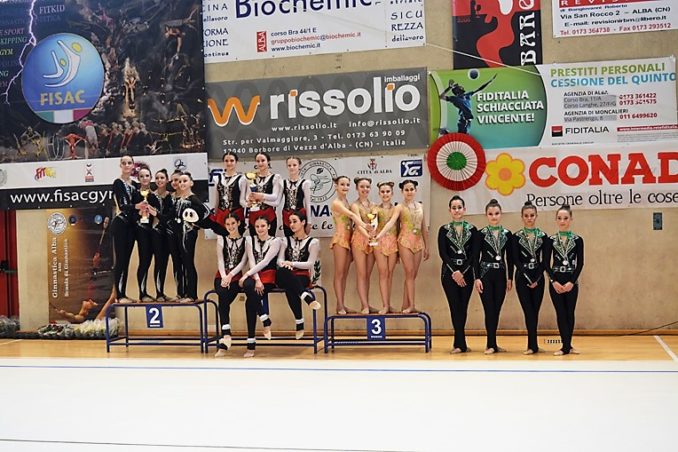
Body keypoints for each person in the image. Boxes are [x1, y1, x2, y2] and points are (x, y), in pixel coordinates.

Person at [378, 180, 430, 313]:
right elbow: (391, 223)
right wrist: (379, 235)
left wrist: (427, 245)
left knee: (413, 274)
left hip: (418, 243)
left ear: (415, 190)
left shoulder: (420, 206)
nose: (409, 192)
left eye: (411, 189)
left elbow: (424, 227)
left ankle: (406, 304)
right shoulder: (399, 207)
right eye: (406, 190)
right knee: (409, 272)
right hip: (404, 241)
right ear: (402, 192)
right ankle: (411, 305)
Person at [473, 199, 514, 354]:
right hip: (485, 274)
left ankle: (494, 343)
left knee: (496, 310)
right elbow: (475, 257)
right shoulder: (481, 234)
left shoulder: (507, 234)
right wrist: (476, 277)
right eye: (490, 214)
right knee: (489, 309)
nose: (494, 216)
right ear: (486, 215)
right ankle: (490, 344)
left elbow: (510, 258)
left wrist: (510, 277)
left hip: (501, 275)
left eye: (496, 213)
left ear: (501, 214)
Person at [438, 195, 476, 354]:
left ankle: (459, 342)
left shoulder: (472, 230)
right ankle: (460, 343)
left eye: (459, 207)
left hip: (467, 273)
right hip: (449, 273)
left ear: (464, 209)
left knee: (463, 307)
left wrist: (462, 272)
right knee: (454, 307)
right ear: (449, 210)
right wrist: (455, 272)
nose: (457, 210)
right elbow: (443, 253)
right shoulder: (444, 230)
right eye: (454, 208)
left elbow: (474, 254)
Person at [544, 204, 584, 356]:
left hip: (571, 281)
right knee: (560, 313)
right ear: (556, 220)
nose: (562, 221)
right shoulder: (551, 240)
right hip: (556, 281)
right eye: (559, 218)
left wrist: (571, 282)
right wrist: (553, 281)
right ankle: (565, 346)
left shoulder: (578, 240)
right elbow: (546, 264)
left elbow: (580, 264)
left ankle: (568, 345)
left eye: (566, 218)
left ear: (571, 219)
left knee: (570, 313)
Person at [276, 210, 321, 339]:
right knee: (283, 272)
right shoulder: (285, 240)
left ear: (303, 222)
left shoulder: (313, 242)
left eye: (295, 221)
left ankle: (299, 321)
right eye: (290, 222)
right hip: (286, 273)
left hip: (301, 275)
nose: (291, 225)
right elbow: (279, 260)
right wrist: (285, 263)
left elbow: (310, 263)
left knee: (291, 287)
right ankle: (305, 296)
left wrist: (293, 263)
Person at [239, 217, 280, 358]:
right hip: (255, 275)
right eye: (257, 226)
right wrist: (255, 279)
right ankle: (265, 319)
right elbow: (251, 260)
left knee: (250, 302)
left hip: (268, 275)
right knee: (247, 285)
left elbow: (266, 261)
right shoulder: (249, 240)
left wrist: (247, 275)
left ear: (269, 226)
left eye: (263, 225)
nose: (260, 229)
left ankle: (251, 345)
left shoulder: (276, 241)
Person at [511, 201, 548, 355]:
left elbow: (545, 261)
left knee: (535, 311)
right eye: (526, 216)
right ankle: (531, 345)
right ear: (522, 217)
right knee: (528, 311)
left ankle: (535, 344)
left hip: (538, 277)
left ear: (536, 216)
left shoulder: (543, 236)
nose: (529, 218)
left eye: (532, 215)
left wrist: (537, 278)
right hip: (522, 277)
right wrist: (526, 276)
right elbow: (515, 260)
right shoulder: (516, 237)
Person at [330, 176, 369, 315]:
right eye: (342, 184)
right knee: (339, 274)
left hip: (349, 238)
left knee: (345, 274)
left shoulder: (345, 201)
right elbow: (352, 215)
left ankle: (342, 304)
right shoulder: (336, 203)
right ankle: (339, 305)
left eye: (347, 185)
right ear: (336, 186)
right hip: (340, 239)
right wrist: (365, 225)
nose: (345, 187)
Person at [214, 214, 247, 357]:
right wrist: (223, 276)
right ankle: (226, 334)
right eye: (227, 224)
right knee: (222, 294)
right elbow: (220, 259)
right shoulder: (221, 239)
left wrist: (230, 276)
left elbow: (242, 263)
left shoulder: (246, 240)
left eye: (233, 223)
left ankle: (226, 335)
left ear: (238, 223)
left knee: (224, 300)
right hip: (221, 276)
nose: (230, 227)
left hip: (235, 276)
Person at [174, 172, 208, 303]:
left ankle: (192, 294)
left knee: (188, 262)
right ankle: (184, 293)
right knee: (182, 263)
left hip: (188, 234)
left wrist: (196, 224)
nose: (182, 183)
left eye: (185, 181)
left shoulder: (193, 198)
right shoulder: (179, 200)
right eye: (180, 181)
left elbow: (205, 211)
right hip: (179, 233)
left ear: (191, 183)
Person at [111, 154, 139, 303]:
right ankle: (119, 295)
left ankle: (123, 293)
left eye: (129, 163)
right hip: (121, 224)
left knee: (126, 260)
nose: (127, 165)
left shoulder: (135, 185)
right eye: (124, 163)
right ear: (120, 165)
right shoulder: (118, 183)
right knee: (121, 259)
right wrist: (136, 206)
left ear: (133, 165)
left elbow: (138, 204)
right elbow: (123, 205)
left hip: (132, 226)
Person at [371, 181, 399, 314]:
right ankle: (385, 305)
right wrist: (373, 229)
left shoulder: (396, 209)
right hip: (379, 243)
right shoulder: (375, 209)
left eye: (388, 191)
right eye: (382, 192)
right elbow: (374, 223)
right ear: (379, 193)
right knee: (383, 273)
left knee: (390, 274)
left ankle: (389, 304)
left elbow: (397, 226)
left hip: (393, 242)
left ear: (392, 193)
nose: (385, 194)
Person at [351, 177, 377, 314]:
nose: (365, 189)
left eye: (367, 187)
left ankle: (367, 302)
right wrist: (367, 236)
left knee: (367, 274)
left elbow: (375, 222)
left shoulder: (373, 205)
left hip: (371, 240)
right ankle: (364, 305)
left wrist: (372, 235)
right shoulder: (354, 205)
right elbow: (357, 223)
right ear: (357, 188)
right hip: (359, 240)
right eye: (362, 187)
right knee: (361, 273)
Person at [148, 169, 172, 302]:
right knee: (158, 262)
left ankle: (163, 292)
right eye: (157, 178)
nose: (159, 180)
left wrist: (157, 214)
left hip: (168, 232)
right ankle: (159, 293)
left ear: (167, 179)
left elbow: (168, 218)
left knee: (165, 262)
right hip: (156, 232)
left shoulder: (171, 196)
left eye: (162, 178)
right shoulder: (151, 196)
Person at [246, 151, 282, 237]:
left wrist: (261, 197)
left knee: (270, 243)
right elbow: (247, 197)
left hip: (269, 215)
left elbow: (275, 197)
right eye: (258, 161)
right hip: (253, 215)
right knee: (254, 243)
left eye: (263, 160)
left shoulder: (275, 177)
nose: (260, 163)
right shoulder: (252, 177)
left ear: (268, 161)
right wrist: (249, 201)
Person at [211, 150, 247, 235]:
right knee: (222, 242)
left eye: (231, 160)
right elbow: (216, 200)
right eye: (226, 161)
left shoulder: (242, 179)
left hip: (236, 214)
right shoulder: (217, 178)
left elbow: (242, 200)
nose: (229, 163)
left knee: (237, 241)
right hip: (221, 215)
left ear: (236, 162)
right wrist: (215, 214)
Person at [133, 166, 155, 302]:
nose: (144, 178)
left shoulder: (154, 195)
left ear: (150, 177)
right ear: (138, 178)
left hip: (153, 231)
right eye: (142, 176)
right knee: (143, 261)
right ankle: (142, 293)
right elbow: (130, 212)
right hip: (140, 230)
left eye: (147, 176)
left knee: (150, 260)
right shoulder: (135, 195)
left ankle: (155, 292)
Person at [282, 157, 312, 237]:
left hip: (300, 216)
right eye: (289, 165)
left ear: (299, 166)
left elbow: (307, 203)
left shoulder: (305, 183)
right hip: (286, 217)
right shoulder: (283, 182)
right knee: (289, 240)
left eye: (294, 165)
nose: (292, 167)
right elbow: (277, 200)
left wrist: (309, 222)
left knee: (301, 239)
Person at [166, 170, 185, 300]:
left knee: (187, 263)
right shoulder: (169, 197)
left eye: (177, 180)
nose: (174, 183)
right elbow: (166, 215)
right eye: (172, 180)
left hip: (185, 234)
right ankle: (180, 292)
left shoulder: (188, 197)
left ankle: (189, 293)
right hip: (171, 233)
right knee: (176, 263)